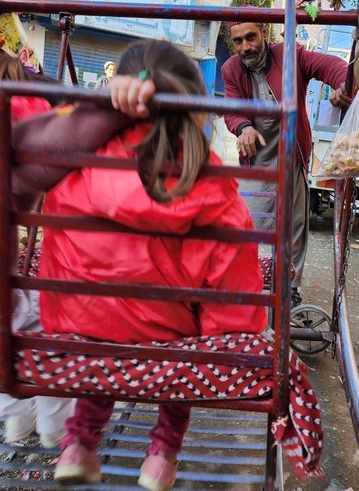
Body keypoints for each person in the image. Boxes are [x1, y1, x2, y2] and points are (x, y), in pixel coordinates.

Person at [21, 40, 267, 490]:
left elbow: (57, 252)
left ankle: (79, 445)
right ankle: (163, 456)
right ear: (193, 104)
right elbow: (231, 280)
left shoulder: (79, 164)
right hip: (168, 339)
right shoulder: (206, 176)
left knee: (105, 345)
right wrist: (224, 335)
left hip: (84, 330)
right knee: (186, 346)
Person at [221, 20, 351, 307]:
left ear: (264, 32)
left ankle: (290, 288)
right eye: (238, 41)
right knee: (250, 222)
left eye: (251, 37)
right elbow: (231, 109)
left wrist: (343, 83)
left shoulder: (291, 55)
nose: (245, 47)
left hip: (292, 153)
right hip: (257, 157)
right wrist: (243, 127)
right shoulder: (230, 69)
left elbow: (330, 66)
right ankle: (249, 281)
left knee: (293, 225)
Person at [0, 51, 75, 448]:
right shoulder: (31, 105)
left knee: (12, 317)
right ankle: (53, 425)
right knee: (41, 322)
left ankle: (16, 416)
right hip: (17, 227)